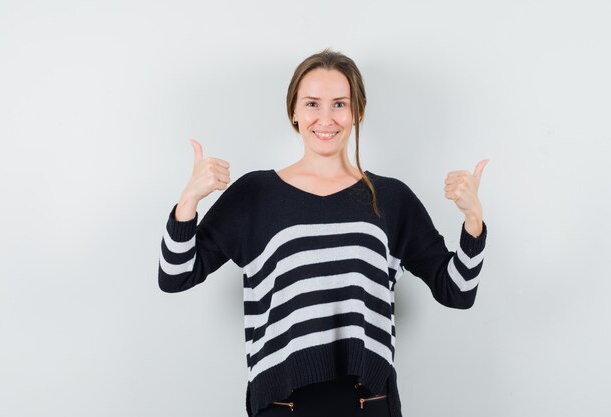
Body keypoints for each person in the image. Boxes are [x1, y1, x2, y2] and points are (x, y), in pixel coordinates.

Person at [158, 48, 488, 417]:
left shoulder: (391, 199)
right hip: (283, 404)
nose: (325, 118)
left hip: (369, 402)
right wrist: (188, 201)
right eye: (312, 104)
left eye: (339, 104)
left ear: (357, 112)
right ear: (294, 113)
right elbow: (175, 276)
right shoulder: (255, 195)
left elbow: (456, 291)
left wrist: (473, 221)